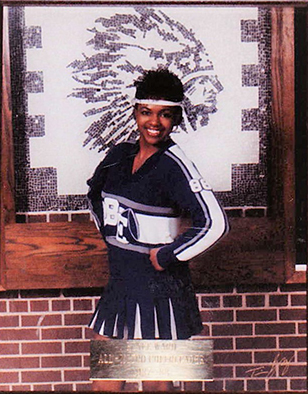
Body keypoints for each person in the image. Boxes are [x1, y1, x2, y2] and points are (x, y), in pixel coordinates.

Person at [87, 69, 229, 392]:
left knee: (157, 387)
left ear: (176, 118)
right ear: (135, 113)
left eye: (165, 114)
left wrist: (167, 254)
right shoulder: (118, 157)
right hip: (119, 288)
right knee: (103, 387)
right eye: (146, 112)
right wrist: (117, 239)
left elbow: (216, 223)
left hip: (161, 294)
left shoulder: (176, 164)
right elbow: (94, 194)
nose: (155, 122)